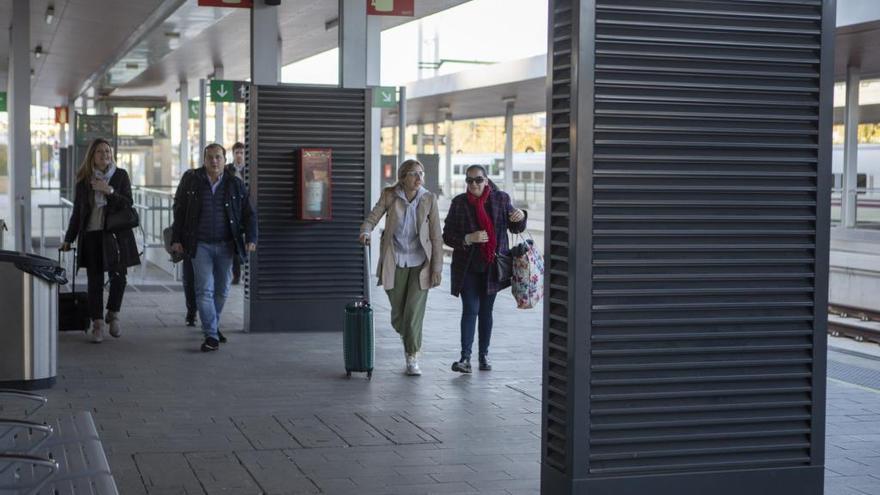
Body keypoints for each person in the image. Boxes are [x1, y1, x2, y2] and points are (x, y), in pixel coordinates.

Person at [359, 159, 443, 376]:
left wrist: (437, 268)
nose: (419, 178)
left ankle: (412, 356)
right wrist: (366, 230)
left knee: (413, 312)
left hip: (420, 263)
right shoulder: (390, 195)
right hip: (394, 261)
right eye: (414, 174)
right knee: (398, 314)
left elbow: (436, 236)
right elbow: (373, 216)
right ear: (403, 177)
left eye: (421, 174)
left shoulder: (428, 198)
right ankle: (408, 336)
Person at [171, 143, 257, 352]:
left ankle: (212, 325)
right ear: (204, 159)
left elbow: (248, 213)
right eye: (210, 157)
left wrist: (251, 237)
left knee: (223, 289)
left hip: (226, 245)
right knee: (204, 290)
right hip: (199, 245)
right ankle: (211, 335)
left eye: (218, 157)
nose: (214, 161)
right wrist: (176, 238)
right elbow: (179, 210)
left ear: (224, 160)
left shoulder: (235, 184)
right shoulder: (191, 180)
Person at [443, 165, 526, 373]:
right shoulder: (459, 203)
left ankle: (484, 355)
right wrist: (468, 238)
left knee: (486, 312)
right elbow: (447, 235)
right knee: (470, 310)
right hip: (467, 266)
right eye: (469, 181)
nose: (474, 184)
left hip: (493, 267)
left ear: (486, 180)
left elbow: (515, 227)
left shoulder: (501, 199)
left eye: (478, 180)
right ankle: (465, 358)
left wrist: (520, 216)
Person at [61, 138, 141, 343]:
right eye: (99, 152)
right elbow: (77, 213)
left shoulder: (120, 175)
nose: (105, 155)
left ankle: (113, 313)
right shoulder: (84, 180)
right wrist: (69, 239)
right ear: (92, 156)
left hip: (116, 236)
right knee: (94, 281)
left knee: (119, 277)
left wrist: (109, 191)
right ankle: (97, 323)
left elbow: (128, 204)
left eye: (107, 151)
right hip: (92, 235)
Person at [227, 142, 247, 285]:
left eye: (241, 152)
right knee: (235, 242)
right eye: (237, 152)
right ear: (233, 154)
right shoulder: (227, 170)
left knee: (248, 242)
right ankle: (236, 275)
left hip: (246, 209)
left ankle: (247, 273)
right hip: (233, 210)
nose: (239, 155)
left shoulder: (250, 169)